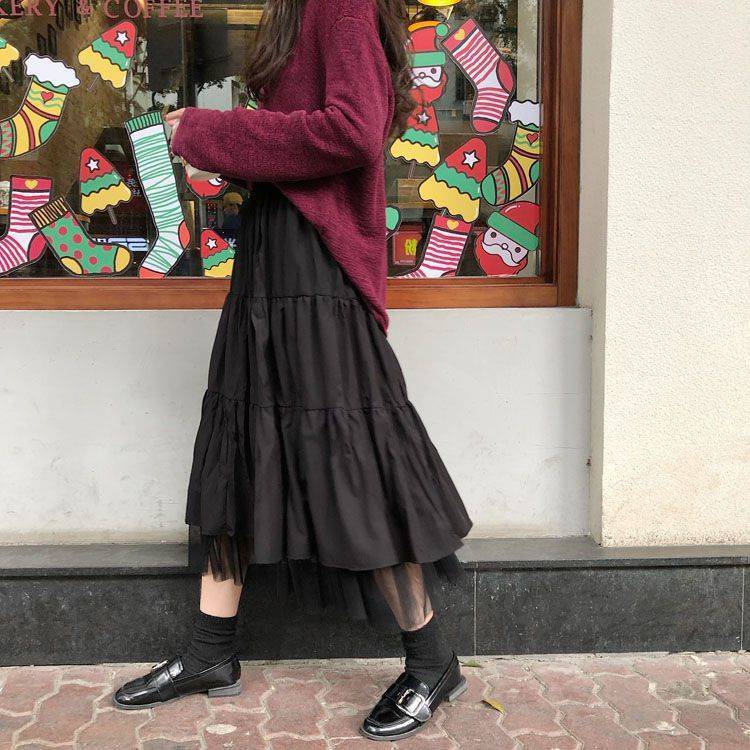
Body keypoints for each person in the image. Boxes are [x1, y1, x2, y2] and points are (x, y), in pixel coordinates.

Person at [113, 0, 472, 741]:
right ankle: (211, 651)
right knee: (242, 440)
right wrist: (229, 149)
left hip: (316, 264)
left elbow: (353, 130)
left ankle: (433, 660)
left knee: (354, 456)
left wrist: (212, 132)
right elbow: (310, 133)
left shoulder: (342, 4)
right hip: (274, 255)